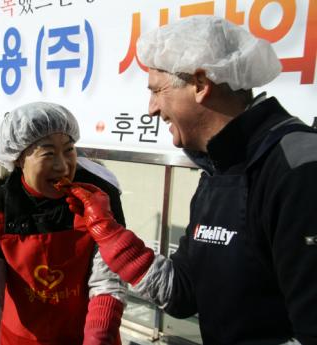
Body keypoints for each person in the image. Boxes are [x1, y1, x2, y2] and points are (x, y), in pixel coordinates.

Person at [64, 15, 317, 345]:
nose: (152, 109)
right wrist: (108, 232)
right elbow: (183, 291)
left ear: (200, 84)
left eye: (157, 91)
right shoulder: (218, 169)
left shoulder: (299, 168)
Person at [0, 102, 127, 345]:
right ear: (18, 159)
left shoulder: (99, 195)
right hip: (20, 338)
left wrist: (98, 336)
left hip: (89, 334)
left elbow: (109, 278)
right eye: (48, 153)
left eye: (69, 150)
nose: (62, 166)